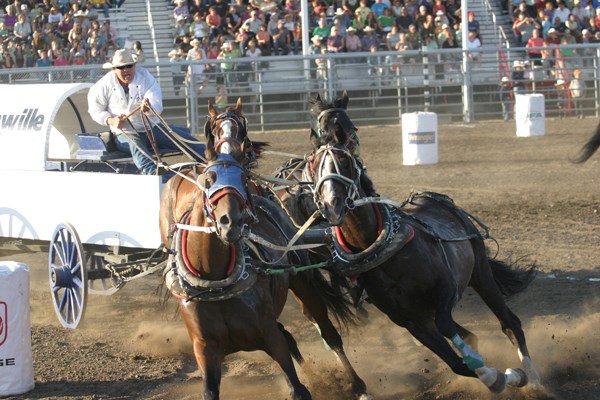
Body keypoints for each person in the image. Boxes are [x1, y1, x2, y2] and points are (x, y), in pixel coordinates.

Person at [87, 49, 206, 176]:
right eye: (121, 67)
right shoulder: (103, 85)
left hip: (151, 127)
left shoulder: (145, 77)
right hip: (124, 133)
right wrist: (111, 120)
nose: (126, 69)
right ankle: (154, 175)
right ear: (114, 69)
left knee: (180, 138)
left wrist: (149, 108)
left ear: (134, 66)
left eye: (129, 66)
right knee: (136, 145)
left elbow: (155, 100)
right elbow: (95, 109)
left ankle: (211, 161)